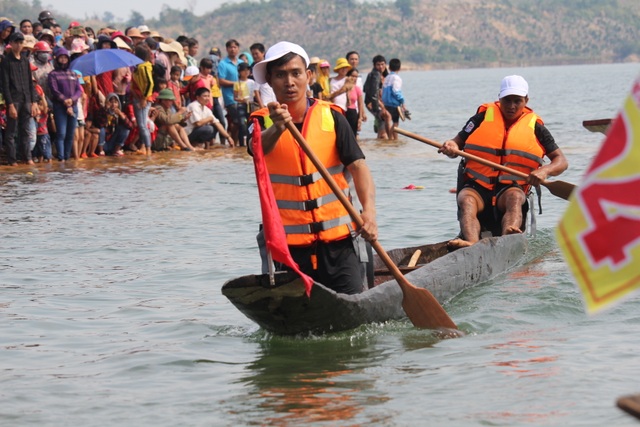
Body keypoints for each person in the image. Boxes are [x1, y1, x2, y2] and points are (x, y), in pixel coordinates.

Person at [249, 41, 378, 295]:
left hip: (340, 243)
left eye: (296, 73)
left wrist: (370, 214)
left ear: (308, 76)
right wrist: (277, 127)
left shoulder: (333, 117)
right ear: (270, 82)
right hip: (289, 249)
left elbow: (359, 168)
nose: (289, 82)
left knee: (354, 316)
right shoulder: (260, 123)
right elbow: (258, 150)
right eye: (280, 75)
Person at [439, 75, 569, 248]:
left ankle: (509, 235)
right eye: (507, 100)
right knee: (465, 199)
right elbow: (457, 143)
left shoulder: (536, 127)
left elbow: (561, 161)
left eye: (518, 100)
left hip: (510, 187)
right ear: (499, 99)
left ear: (526, 100)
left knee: (515, 197)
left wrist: (544, 171)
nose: (512, 106)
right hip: (478, 186)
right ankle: (470, 242)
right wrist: (451, 147)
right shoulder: (481, 117)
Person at [1, 31, 39, 165]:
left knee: (25, 130)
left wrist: (34, 101)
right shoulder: (6, 62)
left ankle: (27, 157)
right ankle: (12, 160)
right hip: (14, 99)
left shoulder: (25, 60)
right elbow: (5, 85)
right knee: (11, 131)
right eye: (16, 42)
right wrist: (10, 104)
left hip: (26, 99)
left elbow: (30, 82)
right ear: (10, 44)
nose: (18, 45)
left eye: (20, 42)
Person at [48, 46, 82, 162]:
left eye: (65, 57)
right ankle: (61, 157)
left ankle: (67, 156)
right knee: (61, 133)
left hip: (73, 106)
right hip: (59, 107)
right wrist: (65, 101)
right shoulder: (53, 74)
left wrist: (72, 100)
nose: (63, 60)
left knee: (70, 134)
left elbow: (79, 90)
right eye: (61, 57)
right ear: (57, 59)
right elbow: (54, 90)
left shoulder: (72, 74)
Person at [217, 39, 242, 144]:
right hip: (230, 98)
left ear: (238, 49)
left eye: (235, 47)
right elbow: (221, 80)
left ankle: (241, 145)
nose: (233, 49)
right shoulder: (223, 64)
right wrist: (235, 84)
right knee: (236, 121)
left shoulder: (241, 63)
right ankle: (234, 142)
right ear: (227, 49)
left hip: (243, 98)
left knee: (242, 121)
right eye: (230, 47)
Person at [234, 61, 262, 147]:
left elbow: (256, 93)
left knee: (251, 124)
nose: (246, 72)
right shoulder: (236, 83)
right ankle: (242, 144)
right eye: (244, 70)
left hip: (251, 105)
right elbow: (235, 97)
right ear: (239, 72)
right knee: (242, 124)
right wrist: (242, 100)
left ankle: (251, 142)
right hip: (241, 106)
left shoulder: (252, 82)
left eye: (248, 70)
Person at [363, 54, 389, 139]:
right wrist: (380, 106)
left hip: (377, 103)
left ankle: (379, 147)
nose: (381, 67)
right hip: (374, 103)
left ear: (385, 64)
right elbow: (373, 93)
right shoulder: (375, 75)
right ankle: (384, 143)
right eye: (378, 65)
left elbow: (365, 88)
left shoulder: (383, 75)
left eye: (382, 64)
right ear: (374, 65)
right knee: (383, 122)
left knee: (382, 123)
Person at [381, 58, 407, 140]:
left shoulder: (387, 77)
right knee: (395, 124)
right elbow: (396, 91)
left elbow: (383, 91)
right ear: (399, 68)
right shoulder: (397, 78)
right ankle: (391, 139)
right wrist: (402, 101)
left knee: (388, 122)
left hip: (386, 103)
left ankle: (395, 140)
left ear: (389, 68)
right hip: (394, 104)